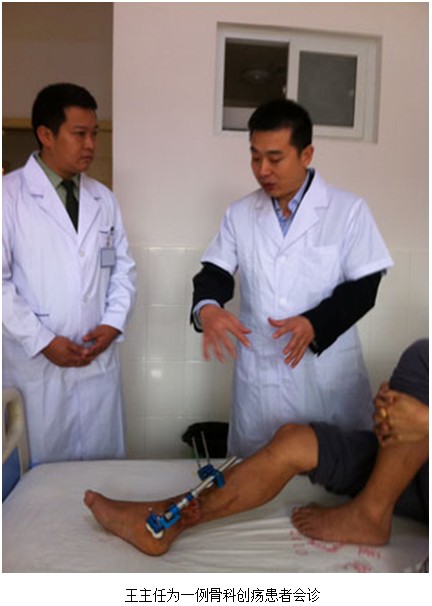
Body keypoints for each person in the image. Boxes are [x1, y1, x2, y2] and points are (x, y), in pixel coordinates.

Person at [84, 339, 428, 556]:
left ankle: (370, 515)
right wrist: (397, 413)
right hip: (411, 463)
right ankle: (167, 521)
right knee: (293, 440)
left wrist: (423, 423)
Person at [191, 99, 393, 458]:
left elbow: (365, 287)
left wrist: (315, 323)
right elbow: (215, 272)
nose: (263, 170)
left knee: (330, 473)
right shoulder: (240, 214)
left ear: (306, 154)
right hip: (261, 383)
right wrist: (207, 309)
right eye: (255, 157)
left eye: (275, 158)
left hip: (325, 376)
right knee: (256, 475)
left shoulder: (347, 210)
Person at [2, 83, 136, 465]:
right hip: (36, 368)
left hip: (96, 365)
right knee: (41, 483)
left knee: (100, 477)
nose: (90, 144)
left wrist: (112, 324)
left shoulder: (103, 199)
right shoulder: (7, 197)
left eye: (94, 133)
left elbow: (123, 269)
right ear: (46, 135)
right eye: (79, 134)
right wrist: (43, 340)